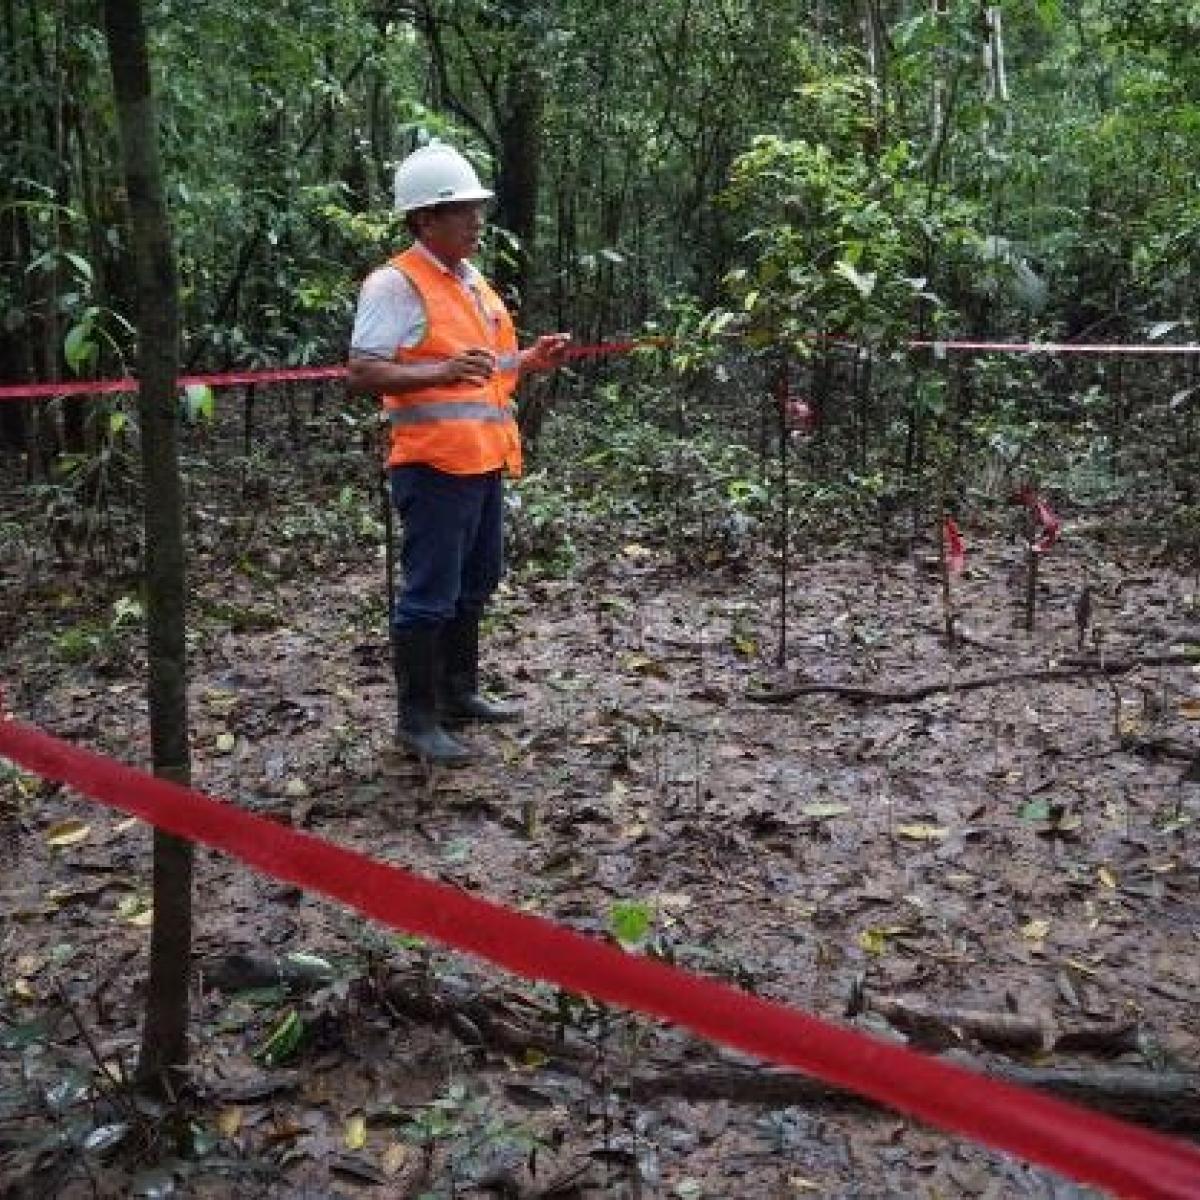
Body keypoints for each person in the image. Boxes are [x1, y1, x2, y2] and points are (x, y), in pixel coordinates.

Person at [347, 142, 570, 766]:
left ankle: (457, 693)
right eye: (462, 211)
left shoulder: (473, 285)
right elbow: (363, 373)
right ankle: (415, 720)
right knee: (429, 594)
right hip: (433, 465)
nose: (476, 222)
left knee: (477, 581)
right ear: (424, 220)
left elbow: (484, 371)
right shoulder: (395, 284)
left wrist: (530, 361)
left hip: (484, 460)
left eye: (477, 210)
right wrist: (440, 370)